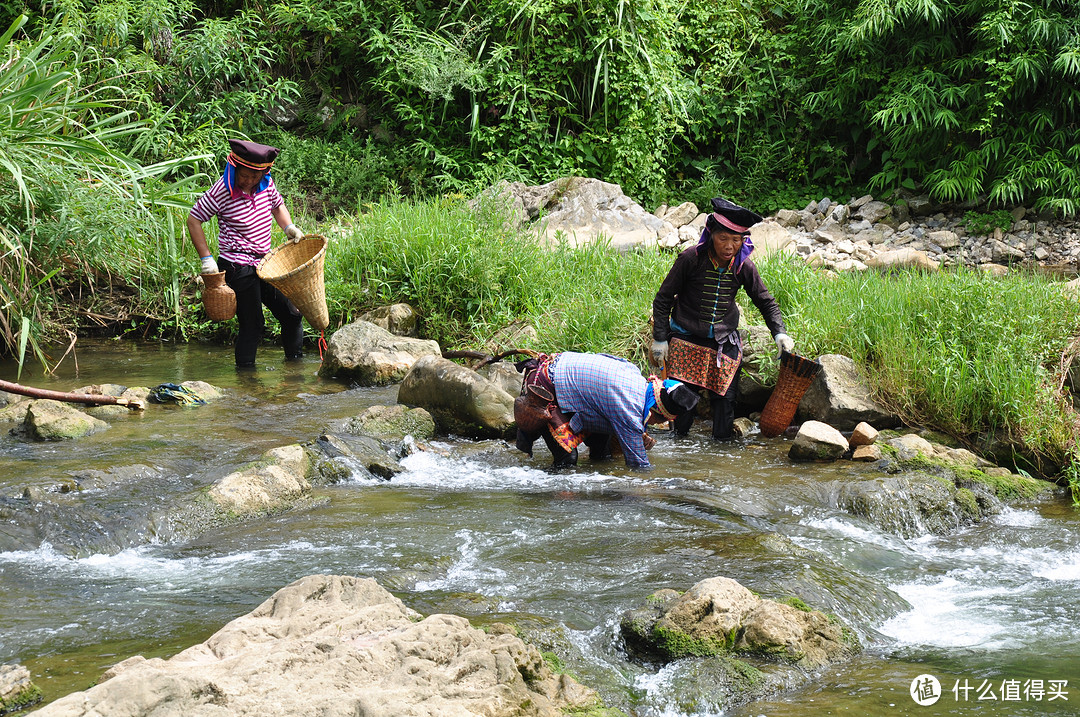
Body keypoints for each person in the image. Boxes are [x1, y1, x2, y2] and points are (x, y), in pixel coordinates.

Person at [651, 197, 794, 440]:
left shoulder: (743, 267)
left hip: (722, 340)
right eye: (723, 238)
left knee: (725, 402)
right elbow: (663, 299)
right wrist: (660, 339)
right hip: (686, 337)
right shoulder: (690, 259)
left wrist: (779, 333)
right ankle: (680, 452)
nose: (729, 246)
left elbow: (765, 300)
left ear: (742, 241)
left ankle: (722, 452)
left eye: (736, 240)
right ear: (711, 236)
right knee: (682, 402)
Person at [187, 139, 307, 369]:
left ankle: (295, 372)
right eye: (245, 176)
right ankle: (246, 380)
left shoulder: (266, 184)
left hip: (266, 262)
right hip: (237, 264)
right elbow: (194, 219)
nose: (250, 181)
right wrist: (206, 258)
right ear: (234, 169)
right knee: (253, 323)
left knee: (292, 314)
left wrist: (288, 227)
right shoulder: (223, 189)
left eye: (255, 177)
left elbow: (277, 205)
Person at [514, 351, 699, 469]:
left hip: (576, 390)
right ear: (653, 411)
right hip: (546, 389)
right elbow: (639, 465)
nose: (658, 424)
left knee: (603, 454)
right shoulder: (629, 411)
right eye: (660, 421)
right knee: (567, 461)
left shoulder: (634, 375)